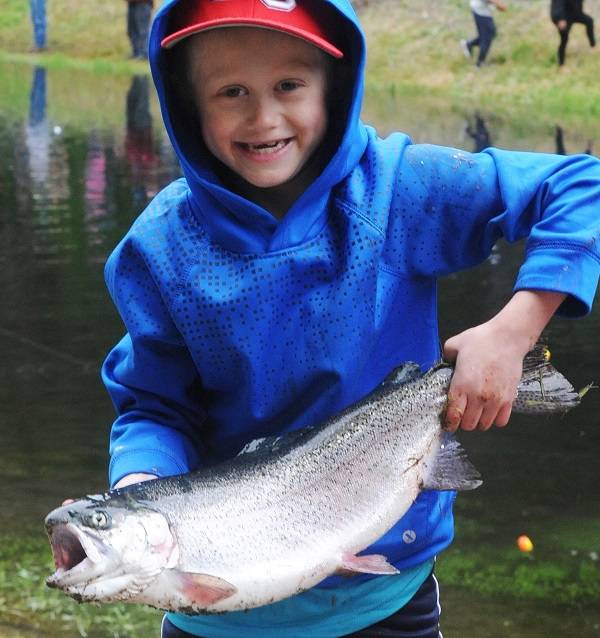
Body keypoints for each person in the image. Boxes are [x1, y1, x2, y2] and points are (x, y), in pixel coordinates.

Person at [95, 1, 600, 636]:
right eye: (231, 92)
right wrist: (137, 492)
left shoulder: (400, 190)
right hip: (216, 606)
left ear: (335, 87)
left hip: (389, 597)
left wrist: (514, 330)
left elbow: (582, 186)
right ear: (186, 104)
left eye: (289, 85)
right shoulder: (159, 249)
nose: (264, 117)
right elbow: (154, 408)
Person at [460, 0, 507, 67]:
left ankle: (468, 44)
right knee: (487, 37)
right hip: (481, 11)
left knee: (491, 33)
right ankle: (480, 63)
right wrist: (498, 5)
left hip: (481, 9)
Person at [551, 0, 596, 66]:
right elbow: (557, 5)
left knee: (589, 21)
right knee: (564, 39)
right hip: (564, 17)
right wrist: (559, 19)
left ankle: (593, 46)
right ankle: (561, 64)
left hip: (576, 13)